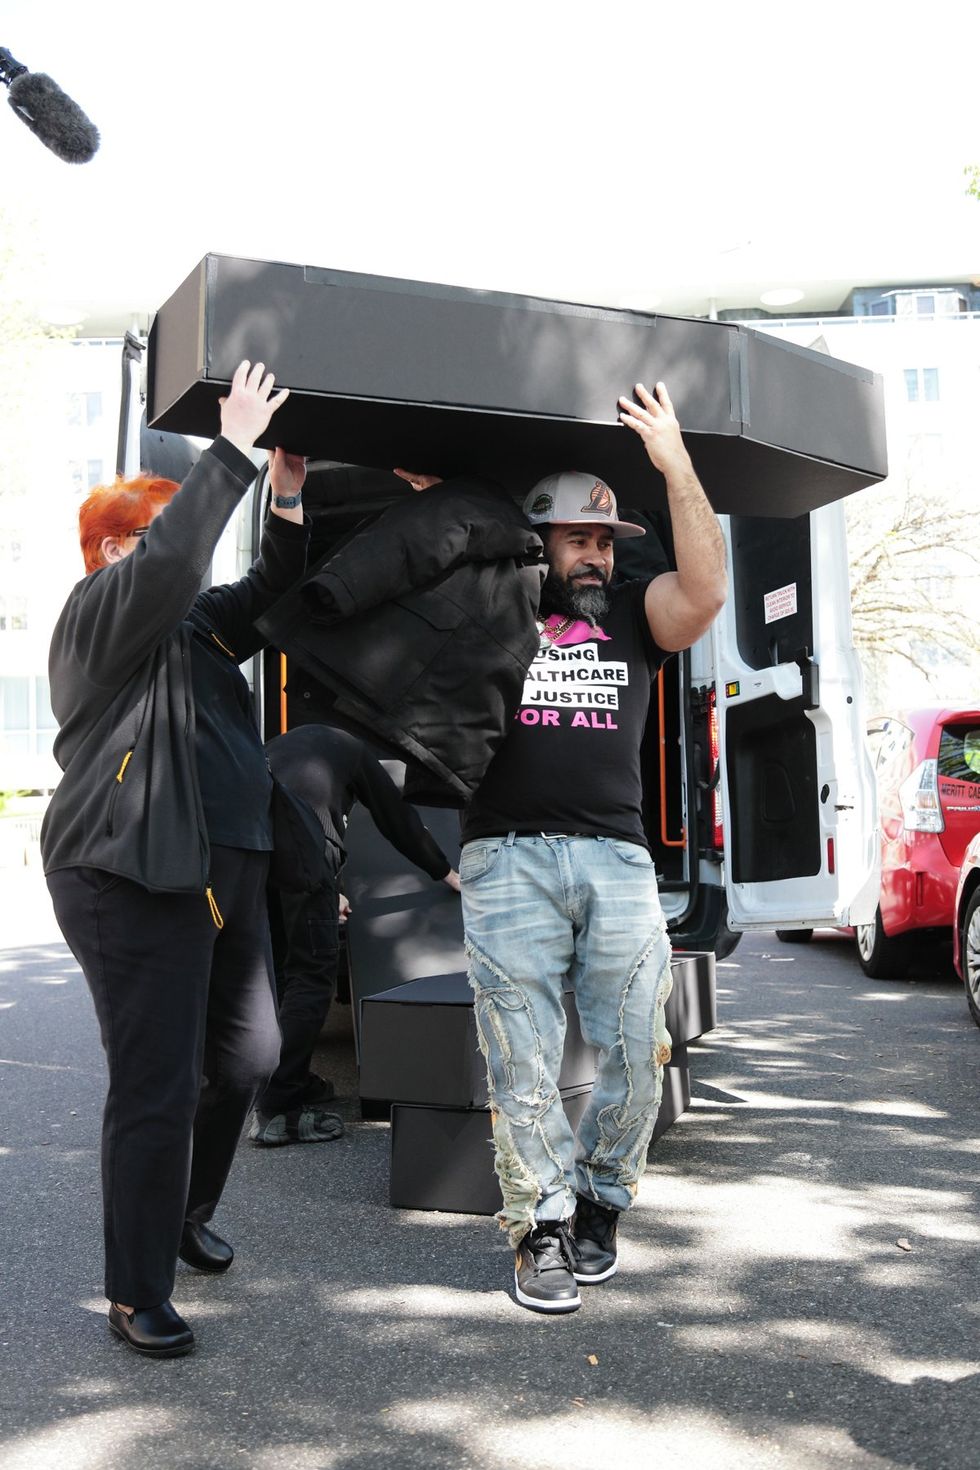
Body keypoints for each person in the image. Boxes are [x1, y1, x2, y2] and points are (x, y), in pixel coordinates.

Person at [41, 361, 308, 1358]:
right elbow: (169, 564)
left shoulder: (192, 630)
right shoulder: (100, 618)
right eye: (153, 532)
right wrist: (229, 445)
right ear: (111, 547)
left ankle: (182, 1211)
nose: (176, 553)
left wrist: (281, 485)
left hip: (220, 868)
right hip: (131, 871)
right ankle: (135, 1289)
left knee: (247, 1056)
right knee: (154, 1085)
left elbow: (271, 586)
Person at [458, 381, 728, 1313]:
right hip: (507, 856)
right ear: (537, 541)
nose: (597, 554)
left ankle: (601, 1203)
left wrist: (675, 463)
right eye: (579, 537)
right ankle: (539, 1230)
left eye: (606, 539)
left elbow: (708, 590)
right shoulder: (491, 606)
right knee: (520, 1058)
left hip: (615, 858)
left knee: (635, 1048)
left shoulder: (635, 616)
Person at [253, 723, 460, 1144]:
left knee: (277, 971)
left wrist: (333, 886)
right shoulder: (353, 749)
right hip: (304, 850)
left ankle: (281, 1077)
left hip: (253, 852)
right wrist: (447, 872)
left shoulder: (281, 748)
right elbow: (396, 818)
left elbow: (292, 811)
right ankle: (279, 1108)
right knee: (311, 975)